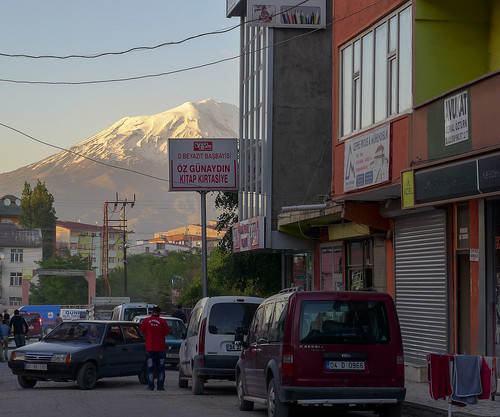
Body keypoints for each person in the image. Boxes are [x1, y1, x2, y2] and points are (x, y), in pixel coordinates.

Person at [140, 306, 170, 391]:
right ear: (159, 313)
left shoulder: (146, 321)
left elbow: (142, 331)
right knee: (161, 368)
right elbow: (167, 334)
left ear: (152, 312)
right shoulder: (163, 322)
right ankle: (160, 386)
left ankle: (150, 386)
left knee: (150, 368)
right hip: (161, 349)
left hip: (150, 349)